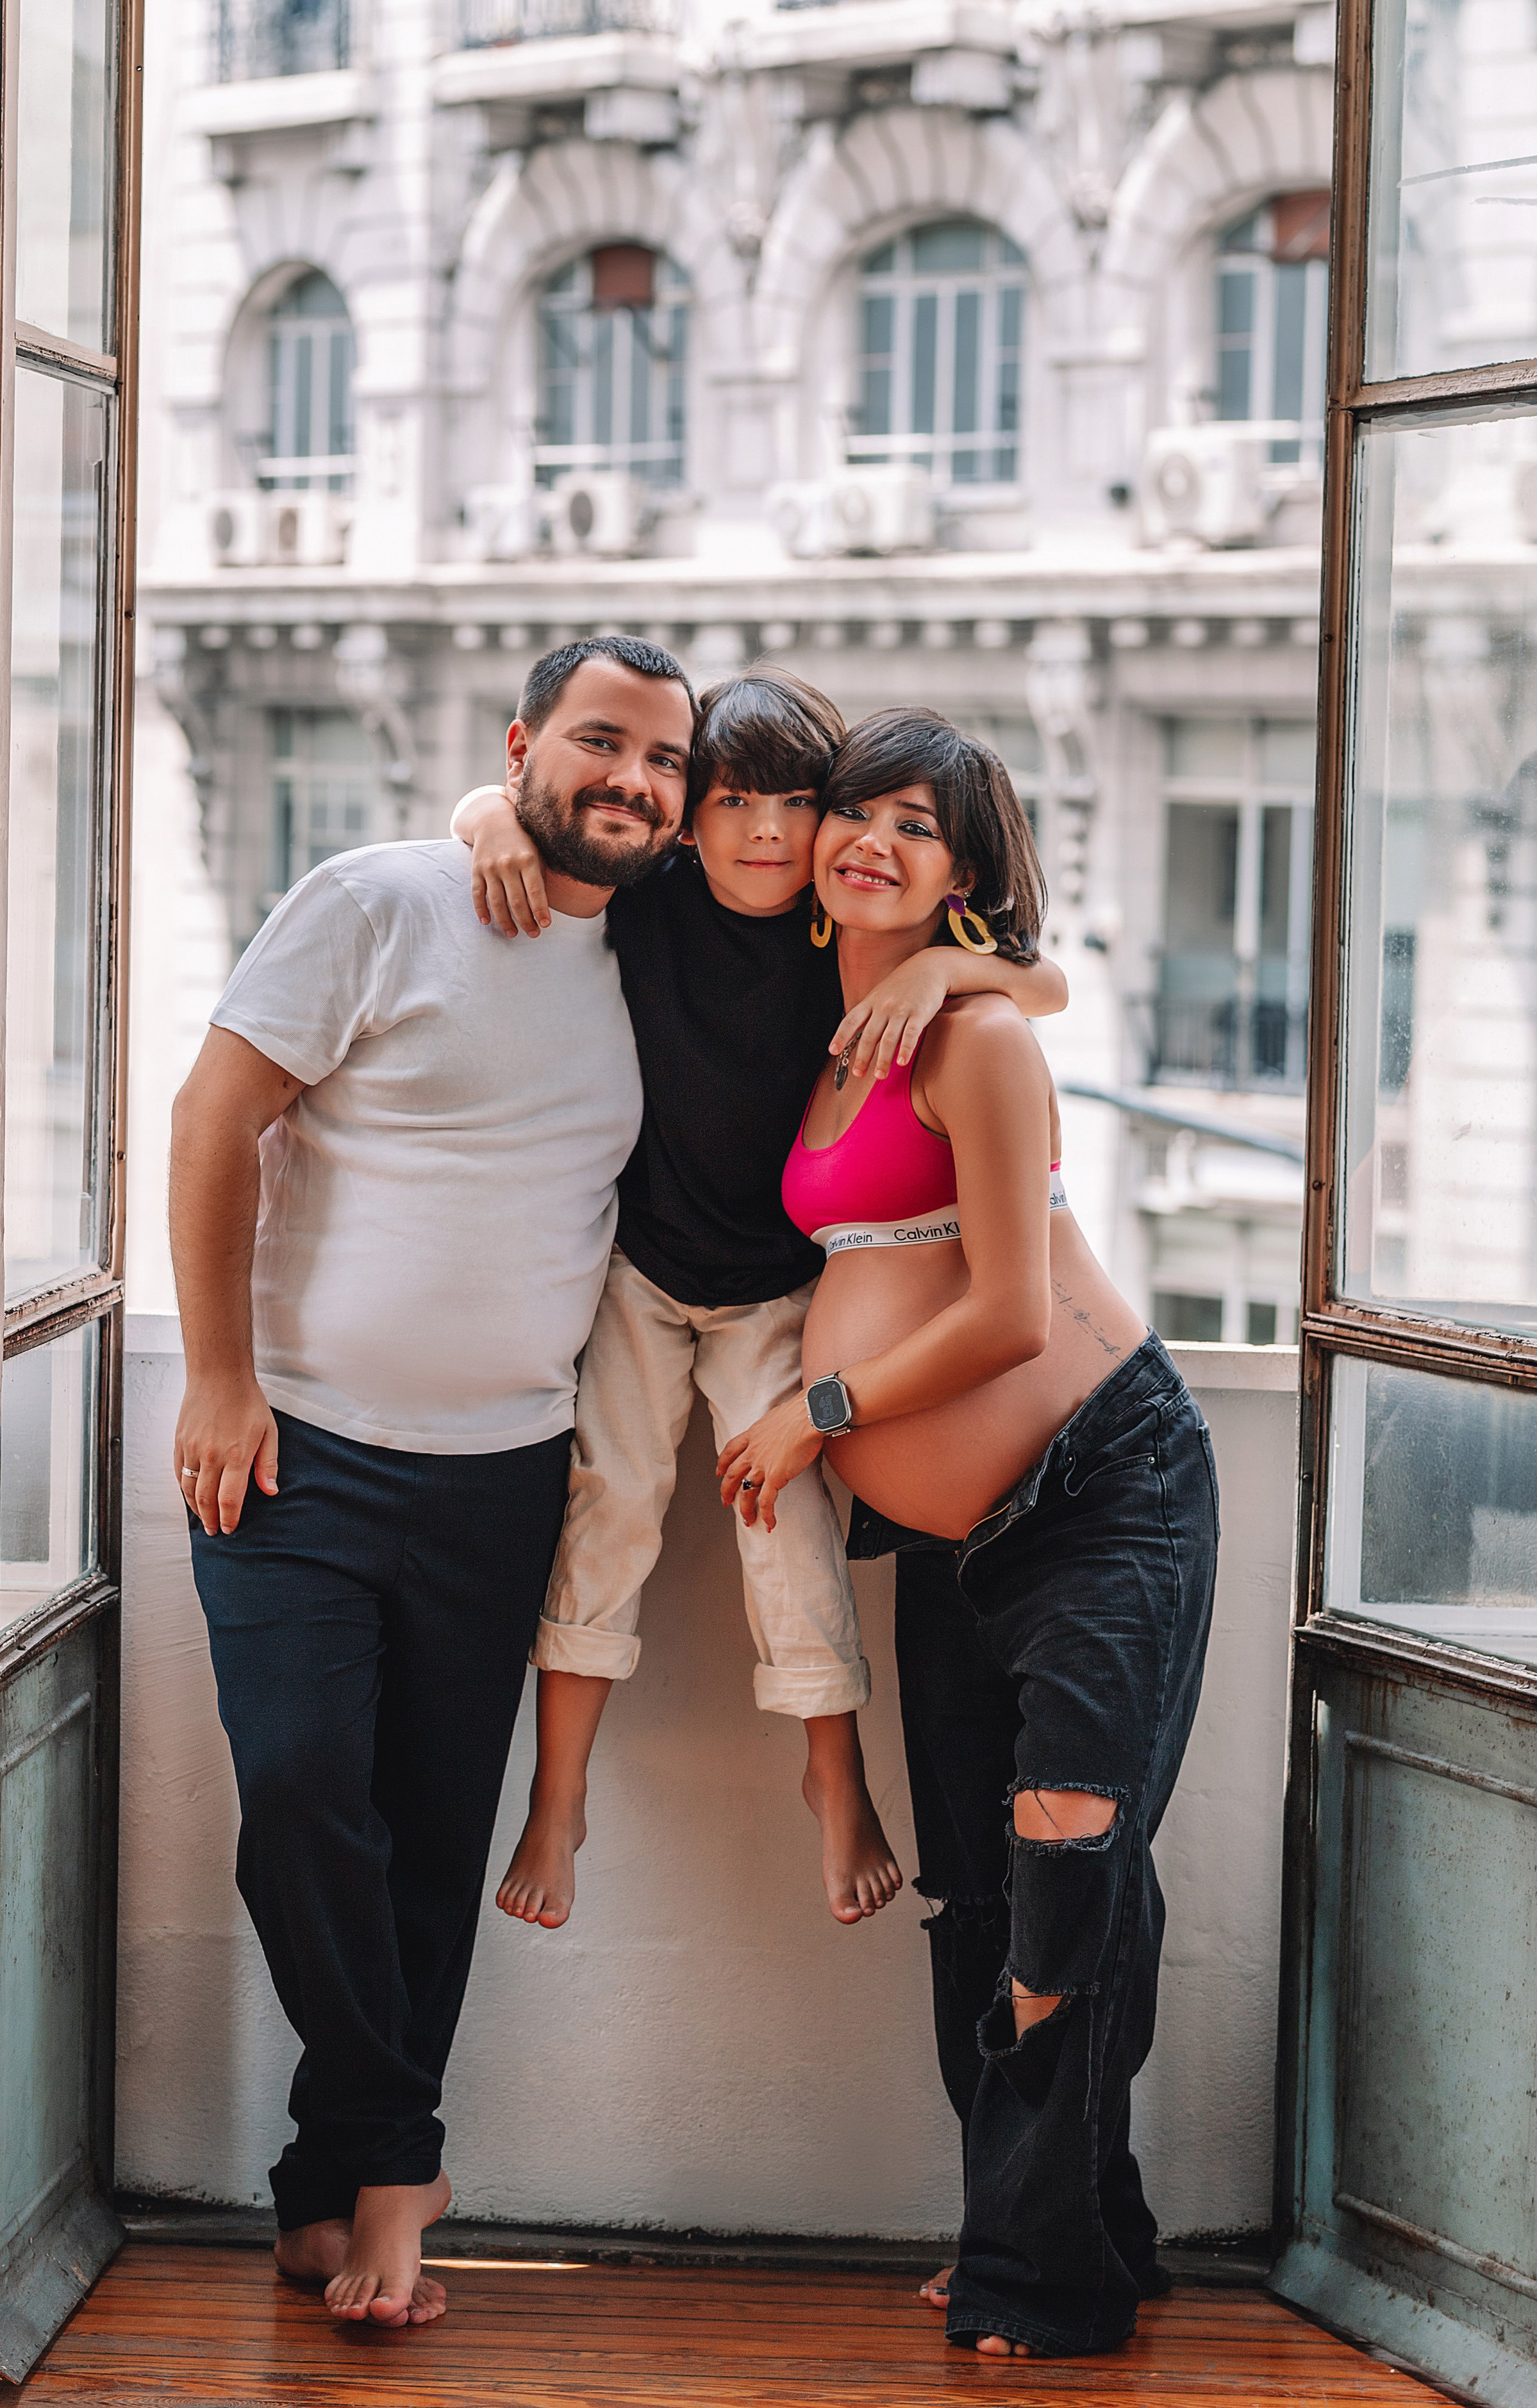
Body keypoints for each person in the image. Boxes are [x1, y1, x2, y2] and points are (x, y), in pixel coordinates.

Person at [168, 635, 695, 2330]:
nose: (628, 779)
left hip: (504, 1481)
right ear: (527, 741)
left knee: (421, 1850)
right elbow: (209, 1114)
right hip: (295, 1453)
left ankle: (327, 2198)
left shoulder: (671, 958)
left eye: (662, 763)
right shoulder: (386, 894)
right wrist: (222, 1375)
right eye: (598, 742)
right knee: (305, 1790)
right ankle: (405, 2153)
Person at [715, 709, 1218, 2363]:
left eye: (920, 827)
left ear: (969, 873)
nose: (873, 840)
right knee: (985, 1905)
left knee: (1069, 1857)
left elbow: (1008, 1312)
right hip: (949, 1544)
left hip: (1101, 1489)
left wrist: (819, 1414)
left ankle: (1038, 2271)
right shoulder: (838, 1014)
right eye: (859, 811)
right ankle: (1068, 2220)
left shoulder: (973, 1036)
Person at [451, 668, 1068, 1931]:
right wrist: (491, 814)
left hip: (772, 1291)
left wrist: (943, 979)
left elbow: (1037, 978)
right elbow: (498, 809)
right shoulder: (653, 892)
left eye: (798, 803)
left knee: (780, 1513)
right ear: (689, 813)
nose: (768, 832)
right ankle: (557, 1797)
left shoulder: (836, 928)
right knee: (608, 1504)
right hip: (636, 1266)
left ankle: (831, 1778)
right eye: (733, 800)